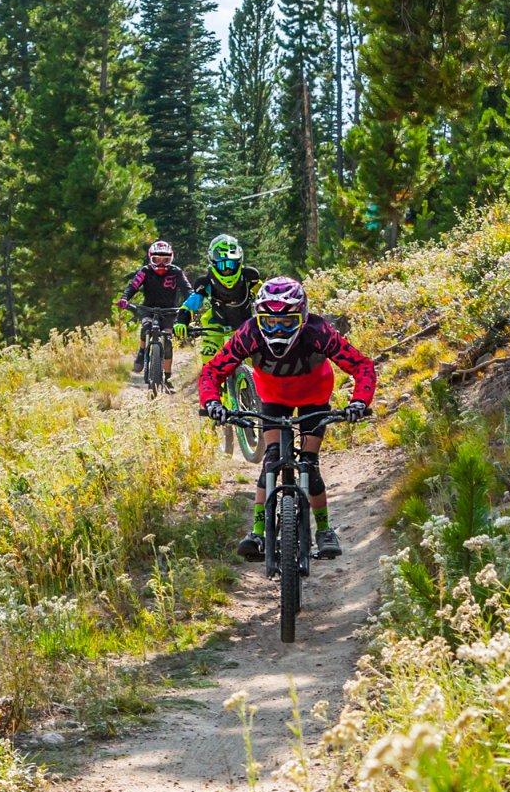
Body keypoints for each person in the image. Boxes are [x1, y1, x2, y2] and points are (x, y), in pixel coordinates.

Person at [197, 276, 375, 561]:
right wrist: (212, 403)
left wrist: (358, 402)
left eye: (287, 322)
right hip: (272, 398)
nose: (277, 329)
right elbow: (212, 371)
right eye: (269, 322)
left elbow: (362, 366)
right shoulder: (249, 333)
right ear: (259, 317)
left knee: (309, 464)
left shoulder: (319, 331)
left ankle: (325, 530)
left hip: (314, 398)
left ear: (303, 318)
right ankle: (256, 532)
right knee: (271, 458)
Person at [116, 239, 196, 384]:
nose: (161, 264)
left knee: (168, 342)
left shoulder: (176, 272)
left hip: (169, 311)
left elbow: (187, 289)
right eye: (156, 259)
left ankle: (167, 377)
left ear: (171, 259)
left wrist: (191, 302)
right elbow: (133, 286)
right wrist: (124, 298)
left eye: (165, 260)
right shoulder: (145, 271)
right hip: (148, 308)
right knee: (146, 327)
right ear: (150, 258)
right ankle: (141, 353)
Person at [186, 234, 264, 352]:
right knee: (208, 357)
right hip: (215, 326)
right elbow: (191, 304)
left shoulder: (250, 277)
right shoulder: (205, 282)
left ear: (238, 262)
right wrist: (181, 321)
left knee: (256, 359)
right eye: (222, 265)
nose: (227, 270)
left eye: (230, 264)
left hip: (246, 326)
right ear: (213, 263)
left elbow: (268, 297)